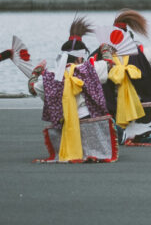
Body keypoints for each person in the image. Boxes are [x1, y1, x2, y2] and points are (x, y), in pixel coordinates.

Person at [27, 17, 113, 162]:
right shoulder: (90, 69)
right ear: (80, 58)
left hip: (64, 125)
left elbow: (32, 89)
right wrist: (104, 47)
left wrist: (36, 73)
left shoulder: (51, 77)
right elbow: (110, 63)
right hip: (89, 122)